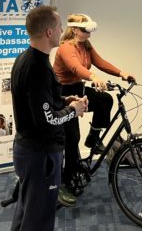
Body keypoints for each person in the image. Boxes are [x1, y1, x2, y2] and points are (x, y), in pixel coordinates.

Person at [10, 5, 88, 231]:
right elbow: (47, 120)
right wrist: (73, 111)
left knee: (27, 209)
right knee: (39, 218)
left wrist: (64, 101)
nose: (63, 29)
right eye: (59, 25)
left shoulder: (25, 59)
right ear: (49, 33)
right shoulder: (38, 68)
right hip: (40, 154)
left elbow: (36, 103)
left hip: (28, 150)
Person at [53, 13, 135, 205]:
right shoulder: (66, 48)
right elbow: (74, 67)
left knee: (105, 100)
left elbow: (101, 62)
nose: (88, 33)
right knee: (72, 138)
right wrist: (92, 77)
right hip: (62, 95)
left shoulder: (86, 46)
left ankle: (93, 138)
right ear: (74, 30)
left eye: (90, 30)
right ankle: (64, 184)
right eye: (85, 30)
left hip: (78, 89)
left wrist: (122, 73)